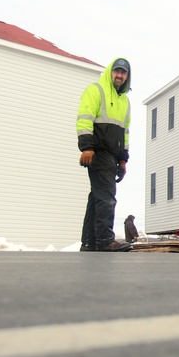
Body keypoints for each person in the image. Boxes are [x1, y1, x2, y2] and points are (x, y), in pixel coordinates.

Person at [77, 58, 132, 252]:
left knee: (97, 196)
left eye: (123, 73)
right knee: (107, 196)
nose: (120, 75)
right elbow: (84, 120)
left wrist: (123, 159)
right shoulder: (95, 90)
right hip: (97, 152)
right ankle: (104, 239)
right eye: (117, 71)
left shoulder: (125, 101)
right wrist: (86, 147)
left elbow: (125, 132)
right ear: (110, 72)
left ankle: (90, 241)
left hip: (113, 155)